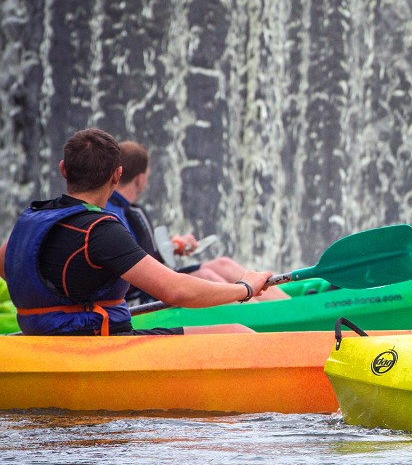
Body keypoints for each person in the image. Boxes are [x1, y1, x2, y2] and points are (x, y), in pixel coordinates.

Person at [0, 129, 273, 336]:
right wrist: (244, 288)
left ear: (63, 170)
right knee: (236, 333)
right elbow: (176, 290)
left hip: (43, 341)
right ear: (116, 176)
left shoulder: (30, 220)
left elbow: (9, 265)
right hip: (96, 346)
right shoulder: (101, 230)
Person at [107, 141, 287, 301]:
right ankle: (262, 315)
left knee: (223, 263)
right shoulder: (118, 213)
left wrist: (172, 248)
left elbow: (134, 255)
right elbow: (131, 266)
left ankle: (291, 306)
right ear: (140, 179)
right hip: (139, 294)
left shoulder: (128, 210)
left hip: (149, 281)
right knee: (206, 274)